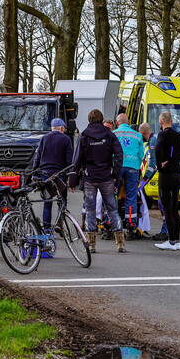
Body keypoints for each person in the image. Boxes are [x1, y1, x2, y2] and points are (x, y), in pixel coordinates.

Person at [70, 108, 125, 254]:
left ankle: (91, 244)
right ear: (101, 119)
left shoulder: (84, 136)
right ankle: (120, 243)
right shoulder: (109, 134)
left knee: (90, 210)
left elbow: (77, 159)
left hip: (90, 177)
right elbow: (119, 155)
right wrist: (116, 175)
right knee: (112, 209)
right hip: (107, 176)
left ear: (89, 119)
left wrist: (73, 180)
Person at [154, 110, 180, 251]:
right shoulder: (178, 136)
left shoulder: (162, 134)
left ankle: (171, 241)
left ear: (161, 121)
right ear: (171, 121)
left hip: (166, 175)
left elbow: (157, 149)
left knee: (167, 208)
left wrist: (160, 165)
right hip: (177, 174)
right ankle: (176, 240)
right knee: (174, 208)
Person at [31, 118, 73, 230]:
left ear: (52, 128)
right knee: (62, 200)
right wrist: (70, 176)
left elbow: (37, 157)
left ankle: (46, 228)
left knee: (47, 202)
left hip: (45, 175)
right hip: (60, 175)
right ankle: (60, 223)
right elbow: (69, 160)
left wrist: (34, 172)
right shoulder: (66, 139)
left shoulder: (44, 138)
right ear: (61, 128)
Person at [113, 114, 144, 230]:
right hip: (133, 167)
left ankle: (112, 222)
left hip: (118, 167)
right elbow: (141, 155)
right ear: (128, 122)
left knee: (113, 195)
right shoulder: (137, 135)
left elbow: (110, 152)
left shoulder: (113, 134)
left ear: (117, 123)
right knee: (131, 196)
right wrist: (135, 164)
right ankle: (131, 223)